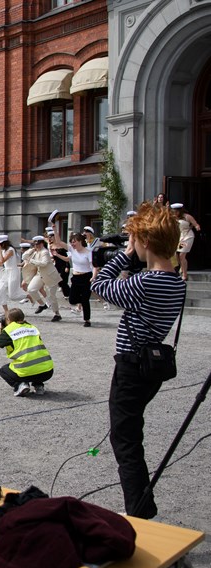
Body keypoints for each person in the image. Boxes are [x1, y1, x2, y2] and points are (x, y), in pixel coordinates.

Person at [91, 202, 186, 519]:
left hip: (131, 367)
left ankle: (140, 513)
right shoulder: (177, 284)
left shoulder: (146, 283)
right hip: (151, 366)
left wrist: (125, 255)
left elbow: (99, 285)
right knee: (131, 434)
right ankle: (143, 506)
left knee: (126, 441)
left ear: (145, 242)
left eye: (136, 240)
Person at [0, 308, 55, 397]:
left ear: (8, 320)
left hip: (27, 372)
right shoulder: (32, 327)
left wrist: (0, 328)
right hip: (47, 371)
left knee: (3, 370)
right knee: (35, 361)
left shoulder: (9, 330)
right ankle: (39, 386)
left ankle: (20, 385)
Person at [53, 228, 94, 327]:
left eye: (74, 242)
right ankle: (81, 303)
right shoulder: (72, 250)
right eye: (71, 242)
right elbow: (58, 242)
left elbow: (93, 266)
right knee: (72, 299)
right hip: (76, 277)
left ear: (80, 241)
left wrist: (94, 277)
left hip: (86, 277)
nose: (72, 244)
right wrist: (54, 228)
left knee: (85, 300)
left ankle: (87, 320)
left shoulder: (88, 252)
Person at [27, 236, 63, 322]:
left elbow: (44, 263)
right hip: (40, 274)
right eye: (35, 244)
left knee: (51, 296)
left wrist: (31, 261)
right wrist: (31, 250)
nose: (37, 246)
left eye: (38, 244)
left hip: (50, 276)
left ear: (42, 243)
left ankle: (57, 314)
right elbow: (24, 256)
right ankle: (42, 304)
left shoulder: (45, 252)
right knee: (31, 289)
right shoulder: (35, 252)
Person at [0, 234, 23, 314]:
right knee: (0, 290)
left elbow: (2, 260)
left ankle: (28, 296)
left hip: (13, 272)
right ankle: (6, 311)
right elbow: (0, 263)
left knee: (12, 296)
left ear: (3, 244)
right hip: (6, 272)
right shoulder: (4, 251)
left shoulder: (10, 250)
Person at [172, 202, 202, 280]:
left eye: (176, 211)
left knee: (182, 255)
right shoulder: (174, 217)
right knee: (177, 255)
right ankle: (181, 268)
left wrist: (197, 227)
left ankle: (184, 275)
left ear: (180, 211)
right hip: (180, 238)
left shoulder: (187, 217)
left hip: (187, 237)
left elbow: (196, 224)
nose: (175, 213)